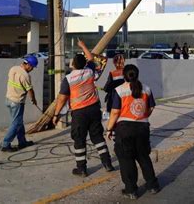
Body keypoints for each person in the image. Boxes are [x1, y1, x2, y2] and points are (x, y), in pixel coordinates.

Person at [52, 39, 114, 177]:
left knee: (79, 140)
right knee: (97, 137)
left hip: (79, 113)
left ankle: (82, 169)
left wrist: (56, 115)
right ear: (84, 64)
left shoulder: (68, 79)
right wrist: (83, 45)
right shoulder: (90, 72)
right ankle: (107, 163)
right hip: (93, 110)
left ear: (73, 64)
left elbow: (62, 98)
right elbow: (91, 58)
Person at [106, 64, 160, 199]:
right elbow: (151, 107)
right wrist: (143, 116)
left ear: (124, 75)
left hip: (124, 130)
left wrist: (109, 129)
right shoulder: (147, 89)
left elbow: (115, 112)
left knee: (126, 159)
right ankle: (153, 185)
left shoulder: (119, 90)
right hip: (142, 128)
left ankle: (131, 190)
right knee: (143, 157)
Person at [2, 55, 38, 152]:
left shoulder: (13, 69)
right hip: (17, 102)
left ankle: (22, 142)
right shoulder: (25, 75)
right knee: (16, 123)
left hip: (8, 100)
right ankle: (5, 144)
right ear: (29, 65)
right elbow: (30, 90)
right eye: (32, 67)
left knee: (19, 122)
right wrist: (34, 100)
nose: (32, 69)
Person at [103, 54, 126, 119]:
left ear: (114, 63)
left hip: (115, 98)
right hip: (125, 97)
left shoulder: (112, 73)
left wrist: (105, 89)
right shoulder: (127, 71)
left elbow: (107, 86)